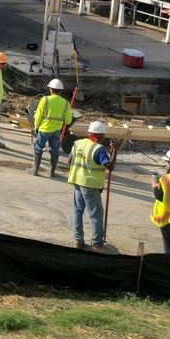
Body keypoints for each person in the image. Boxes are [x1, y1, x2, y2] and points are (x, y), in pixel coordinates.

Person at [67, 120, 113, 249]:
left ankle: (78, 240)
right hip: (90, 184)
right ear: (99, 135)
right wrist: (114, 151)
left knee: (77, 211)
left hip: (77, 181)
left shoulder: (78, 143)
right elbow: (110, 166)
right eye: (103, 135)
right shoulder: (99, 149)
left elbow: (69, 159)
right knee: (95, 213)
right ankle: (97, 243)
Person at [30, 78, 73, 177]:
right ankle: (51, 172)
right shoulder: (66, 103)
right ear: (60, 91)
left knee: (38, 148)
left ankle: (35, 170)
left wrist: (36, 125)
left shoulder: (45, 100)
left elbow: (38, 115)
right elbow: (68, 121)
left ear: (50, 89)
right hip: (56, 131)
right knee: (55, 150)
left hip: (44, 129)